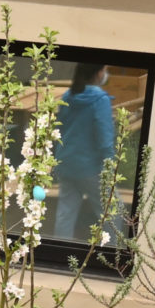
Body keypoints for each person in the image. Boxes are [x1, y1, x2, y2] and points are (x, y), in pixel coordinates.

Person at [51, 63, 118, 245]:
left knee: (65, 214)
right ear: (98, 73)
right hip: (91, 167)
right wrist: (110, 168)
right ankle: (112, 257)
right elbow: (105, 138)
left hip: (66, 164)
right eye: (104, 70)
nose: (106, 73)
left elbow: (61, 130)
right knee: (111, 213)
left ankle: (58, 252)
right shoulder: (100, 100)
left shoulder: (68, 96)